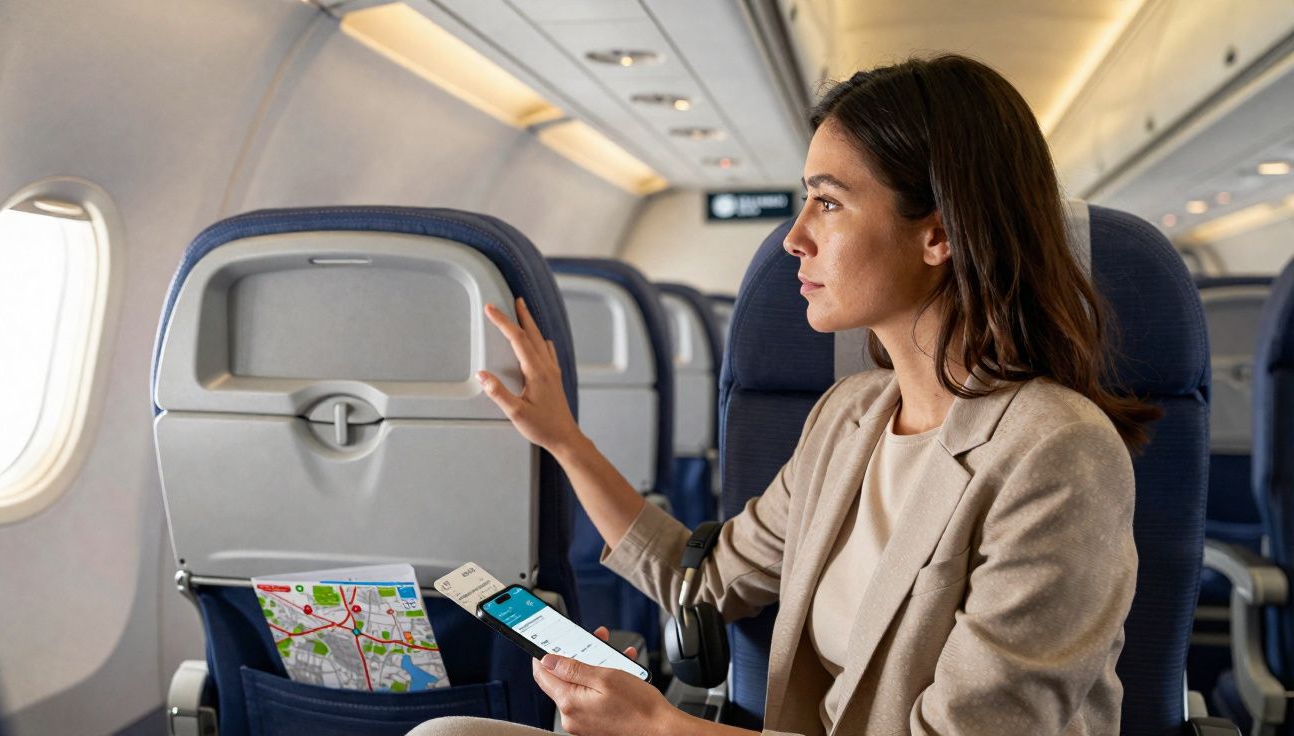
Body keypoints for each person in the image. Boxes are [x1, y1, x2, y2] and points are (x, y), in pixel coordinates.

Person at [410, 53, 1157, 736]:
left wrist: (662, 728)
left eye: (828, 203)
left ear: (939, 235)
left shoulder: (1058, 454)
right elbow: (698, 583)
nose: (794, 238)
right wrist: (563, 438)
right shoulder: (851, 418)